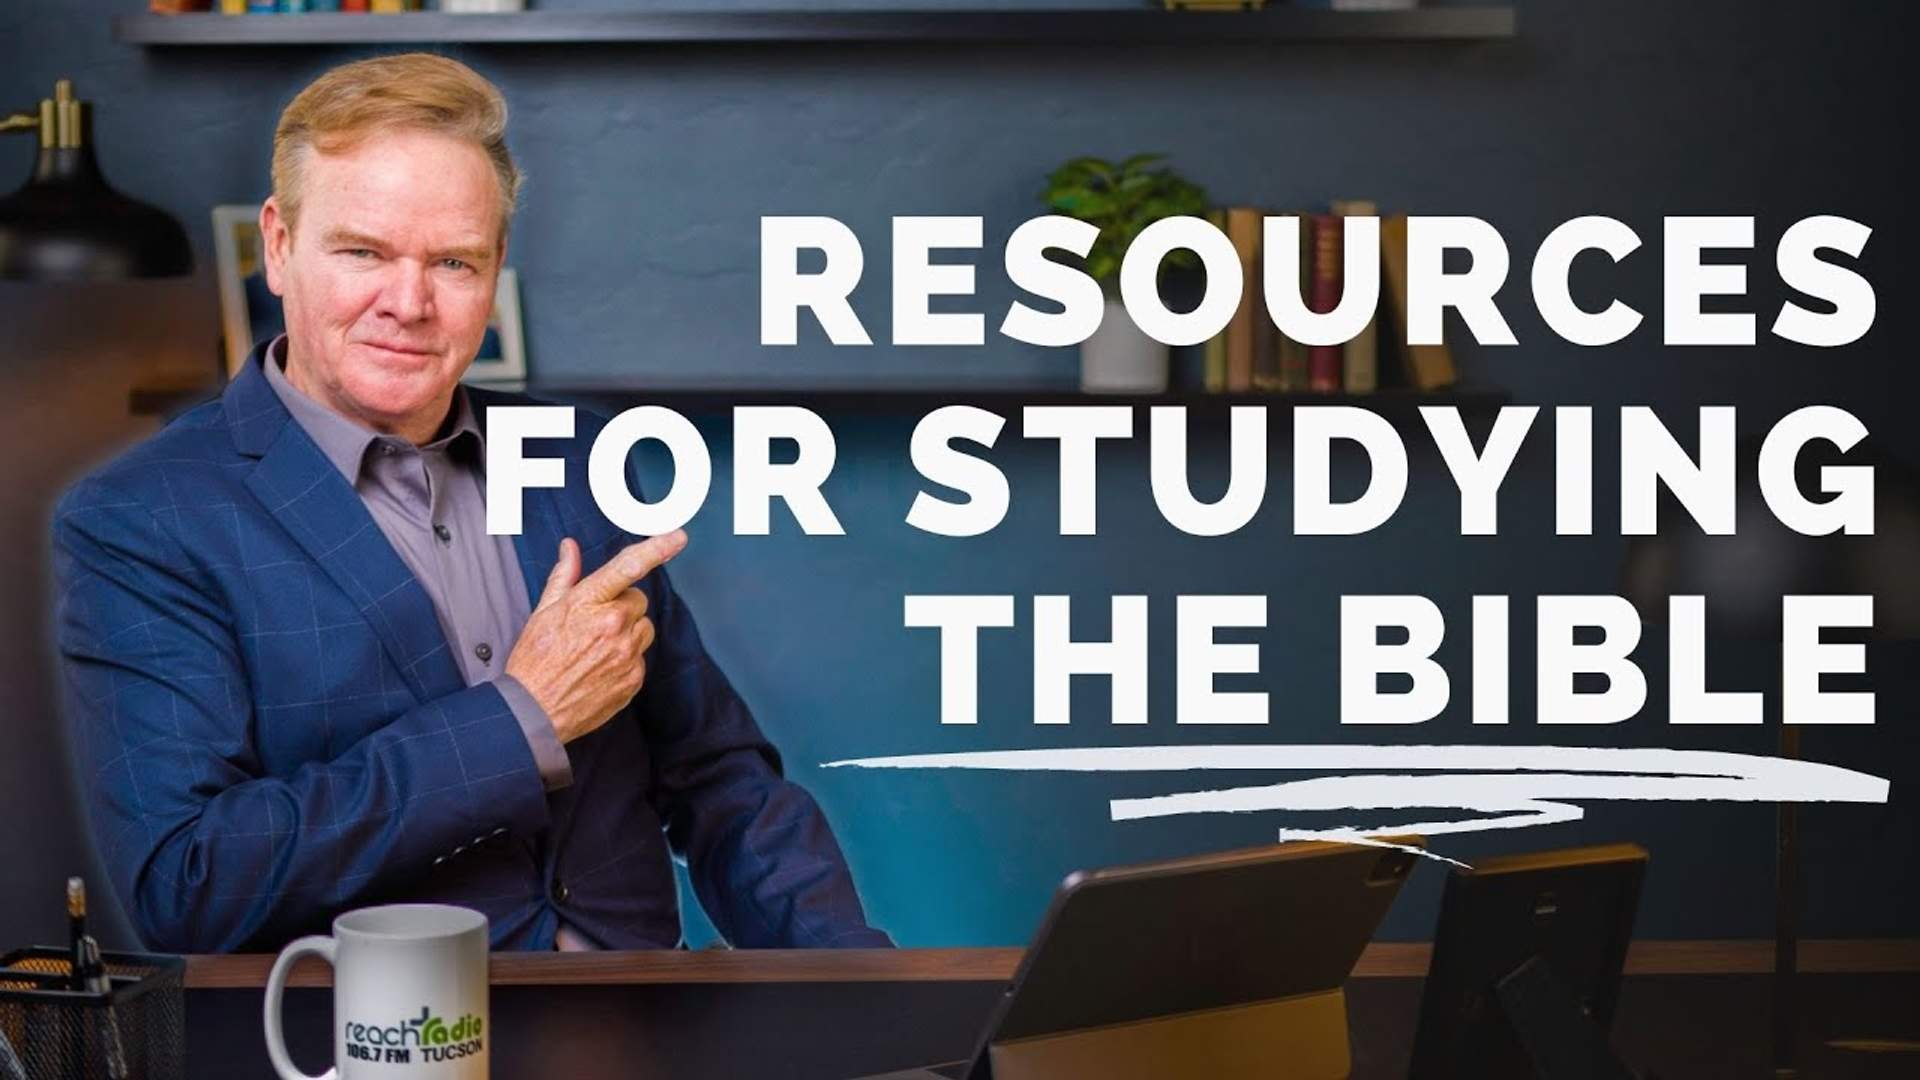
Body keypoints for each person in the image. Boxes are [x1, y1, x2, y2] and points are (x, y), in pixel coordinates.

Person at [52, 53, 888, 953]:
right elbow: (190, 880)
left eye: (453, 261)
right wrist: (522, 718)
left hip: (639, 1027)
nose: (408, 304)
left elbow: (717, 778)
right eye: (363, 252)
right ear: (281, 247)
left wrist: (865, 1001)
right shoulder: (143, 517)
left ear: (494, 275)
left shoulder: (578, 456)